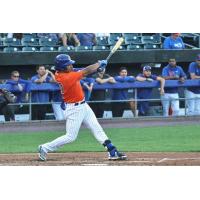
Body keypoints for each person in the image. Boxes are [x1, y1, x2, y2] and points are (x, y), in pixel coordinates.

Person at [38, 54, 127, 161]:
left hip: (83, 105)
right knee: (70, 137)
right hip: (74, 109)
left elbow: (81, 70)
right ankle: (44, 147)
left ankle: (112, 151)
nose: (71, 65)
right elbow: (85, 72)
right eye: (68, 64)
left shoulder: (63, 72)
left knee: (96, 127)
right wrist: (99, 63)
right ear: (62, 67)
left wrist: (97, 68)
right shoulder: (66, 77)